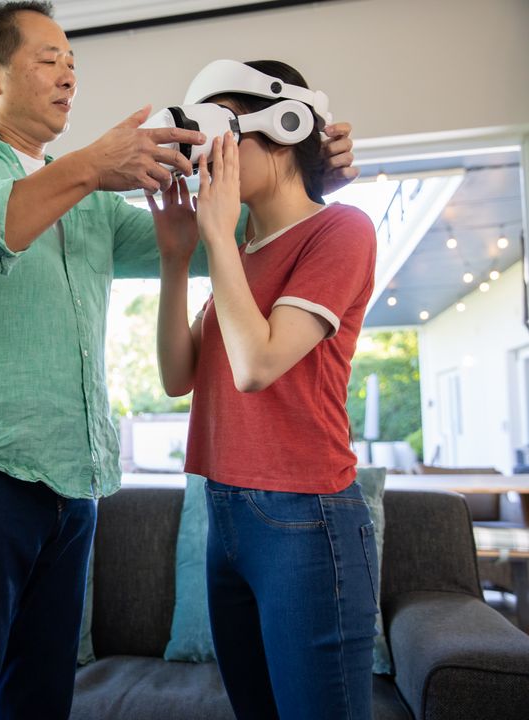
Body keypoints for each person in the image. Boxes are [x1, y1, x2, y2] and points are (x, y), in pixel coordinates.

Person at [0, 1, 358, 716]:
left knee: (38, 701)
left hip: (71, 484)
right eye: (49, 59)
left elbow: (219, 237)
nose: (68, 75)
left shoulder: (92, 205)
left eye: (73, 62)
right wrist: (86, 167)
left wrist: (309, 173)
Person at [152, 59, 378, 719]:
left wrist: (217, 237)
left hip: (305, 516)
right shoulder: (243, 253)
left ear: (284, 129)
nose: (209, 160)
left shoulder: (342, 230)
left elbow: (257, 365)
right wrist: (176, 258)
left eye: (223, 134)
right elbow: (177, 377)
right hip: (224, 512)